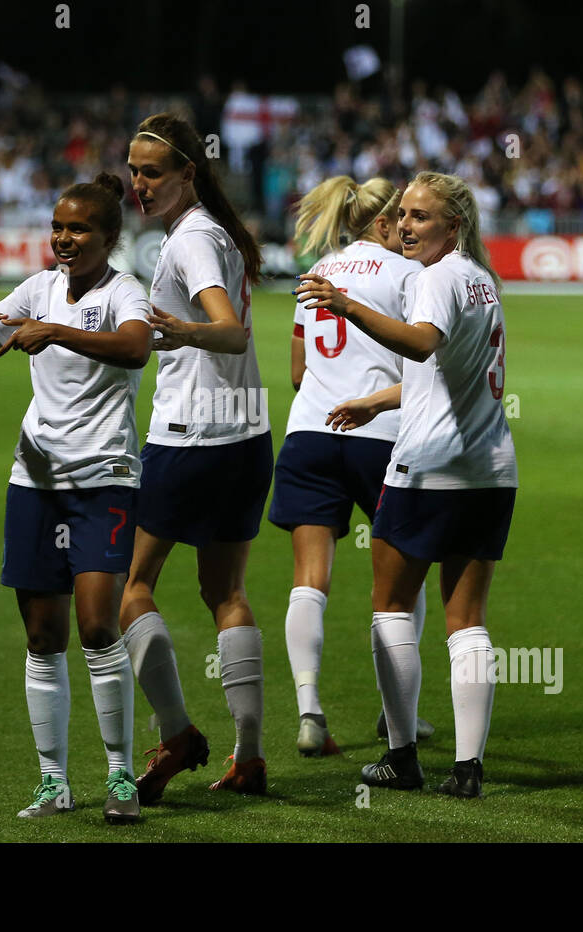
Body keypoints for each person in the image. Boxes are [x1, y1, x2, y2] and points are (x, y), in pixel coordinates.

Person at [296, 171, 517, 798]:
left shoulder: (435, 278)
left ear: (454, 225)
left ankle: (401, 755)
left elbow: (420, 346)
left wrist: (346, 304)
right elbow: (450, 375)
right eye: (404, 215)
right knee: (466, 618)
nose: (408, 225)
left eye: (422, 217)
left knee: (390, 606)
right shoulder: (483, 283)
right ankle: (469, 769)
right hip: (490, 469)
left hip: (427, 467)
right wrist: (378, 402)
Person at [0, 173, 152, 823]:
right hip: (34, 481)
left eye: (78, 229)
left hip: (104, 479)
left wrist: (56, 333)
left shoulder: (125, 292)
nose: (64, 239)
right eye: (58, 227)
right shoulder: (38, 287)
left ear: (108, 237)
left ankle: (121, 776)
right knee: (43, 636)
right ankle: (52, 782)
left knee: (98, 626)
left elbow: (135, 348)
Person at [121, 112, 272, 801]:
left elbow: (231, 333)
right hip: (244, 435)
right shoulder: (214, 232)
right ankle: (247, 757)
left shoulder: (192, 241)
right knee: (225, 593)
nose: (138, 183)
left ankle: (178, 732)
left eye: (152, 171)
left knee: (130, 590)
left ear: (187, 173)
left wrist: (182, 331)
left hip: (190, 437)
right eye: (133, 169)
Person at [268, 174, 434, 756]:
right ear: (386, 222)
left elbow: (295, 372)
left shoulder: (317, 276)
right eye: (405, 221)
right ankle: (398, 719)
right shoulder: (411, 274)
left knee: (308, 582)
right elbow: (425, 359)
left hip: (311, 430)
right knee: (400, 588)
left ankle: (310, 711)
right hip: (382, 434)